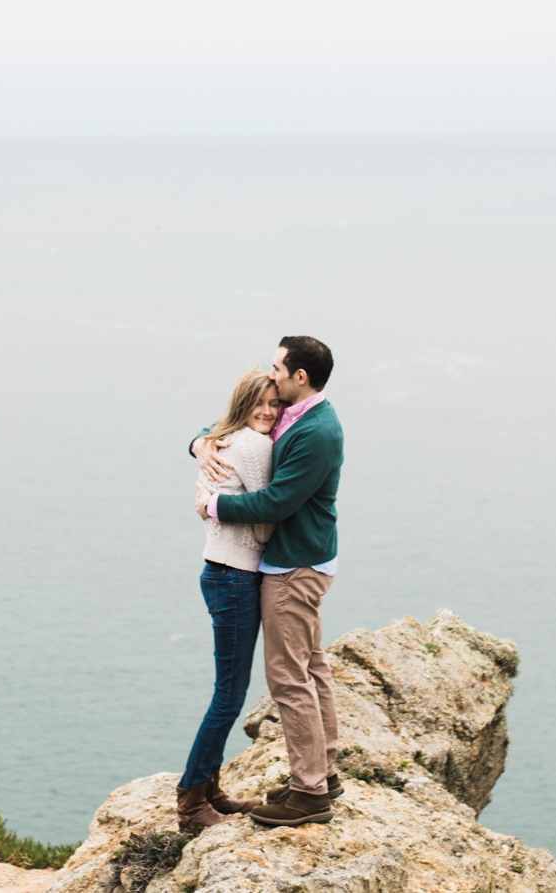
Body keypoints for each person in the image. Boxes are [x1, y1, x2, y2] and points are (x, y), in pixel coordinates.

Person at [192, 335, 343, 828]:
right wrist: (199, 442)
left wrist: (212, 505)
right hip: (299, 560)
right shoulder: (292, 416)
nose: (272, 374)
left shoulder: (315, 431)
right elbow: (233, 425)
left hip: (293, 566)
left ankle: (308, 792)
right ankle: (325, 772)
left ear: (301, 377)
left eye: (279, 368)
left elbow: (276, 502)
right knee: (312, 667)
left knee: (288, 677)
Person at [174, 370, 281, 830]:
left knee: (227, 692)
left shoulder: (223, 438)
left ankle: (211, 788)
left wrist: (209, 500)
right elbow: (261, 520)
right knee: (227, 696)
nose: (268, 412)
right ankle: (191, 801)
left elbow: (221, 482)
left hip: (219, 573)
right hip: (236, 577)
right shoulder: (257, 446)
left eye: (275, 405)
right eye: (259, 403)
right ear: (243, 404)